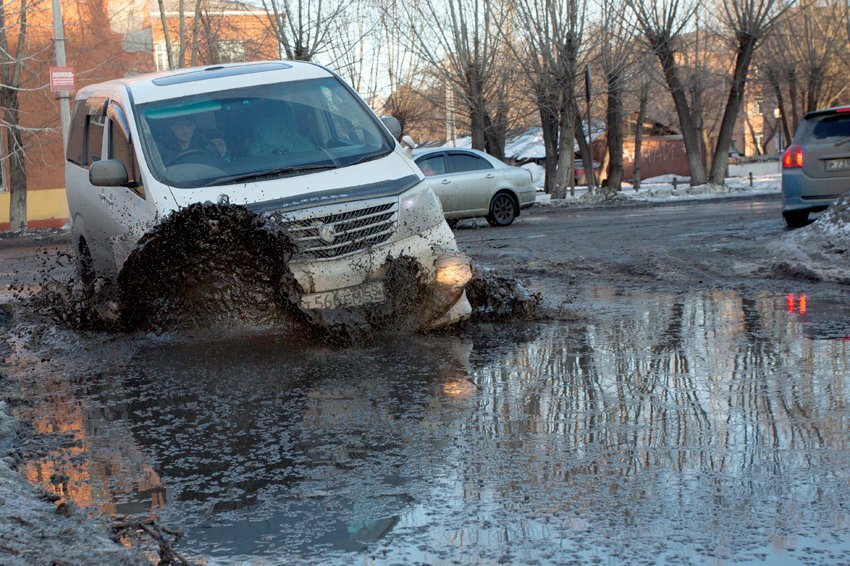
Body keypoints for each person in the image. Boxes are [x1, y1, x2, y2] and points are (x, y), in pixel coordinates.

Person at [159, 115, 229, 164]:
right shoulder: (163, 150)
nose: (185, 130)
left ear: (194, 127)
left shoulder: (206, 145)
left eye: (189, 124)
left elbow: (217, 165)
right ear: (172, 128)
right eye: (180, 125)